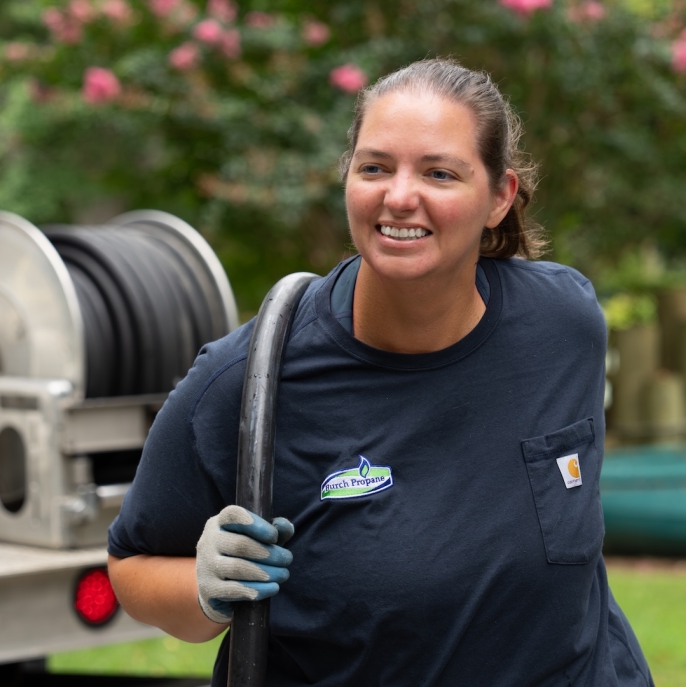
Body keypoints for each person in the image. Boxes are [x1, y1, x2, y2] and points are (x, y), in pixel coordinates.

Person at [107, 58, 654, 686]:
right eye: (374, 167)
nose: (399, 196)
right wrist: (204, 588)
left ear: (500, 197)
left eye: (439, 173)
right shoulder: (245, 382)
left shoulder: (564, 324)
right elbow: (130, 567)